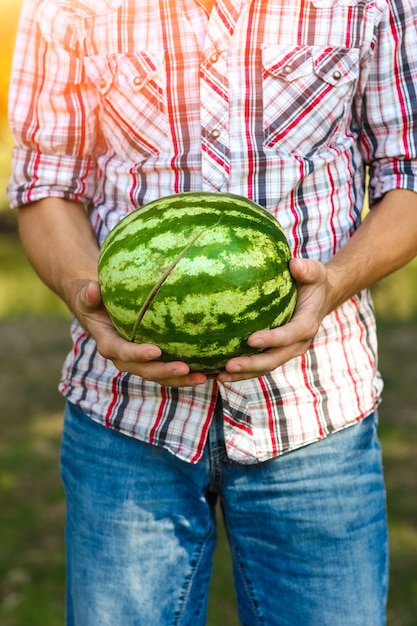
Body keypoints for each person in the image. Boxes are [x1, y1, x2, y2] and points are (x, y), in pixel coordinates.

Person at [7, 0, 417, 624]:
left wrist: (329, 284)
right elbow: (46, 187)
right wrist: (88, 293)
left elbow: (408, 182)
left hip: (315, 411)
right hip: (125, 417)